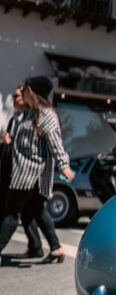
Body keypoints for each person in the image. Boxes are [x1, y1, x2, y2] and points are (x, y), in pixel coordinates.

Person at [0, 76, 74, 264]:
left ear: (33, 92)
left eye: (25, 89)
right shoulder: (31, 113)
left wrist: (64, 165)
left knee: (11, 211)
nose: (22, 92)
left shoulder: (47, 115)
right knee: (37, 210)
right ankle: (56, 247)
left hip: (30, 173)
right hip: (23, 171)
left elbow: (55, 142)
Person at [1, 86, 45, 256]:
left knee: (11, 212)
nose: (14, 99)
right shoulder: (14, 120)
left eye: (17, 96)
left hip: (24, 173)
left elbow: (27, 147)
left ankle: (50, 246)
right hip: (11, 172)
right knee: (29, 211)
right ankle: (38, 247)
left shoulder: (32, 119)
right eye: (13, 96)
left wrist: (8, 143)